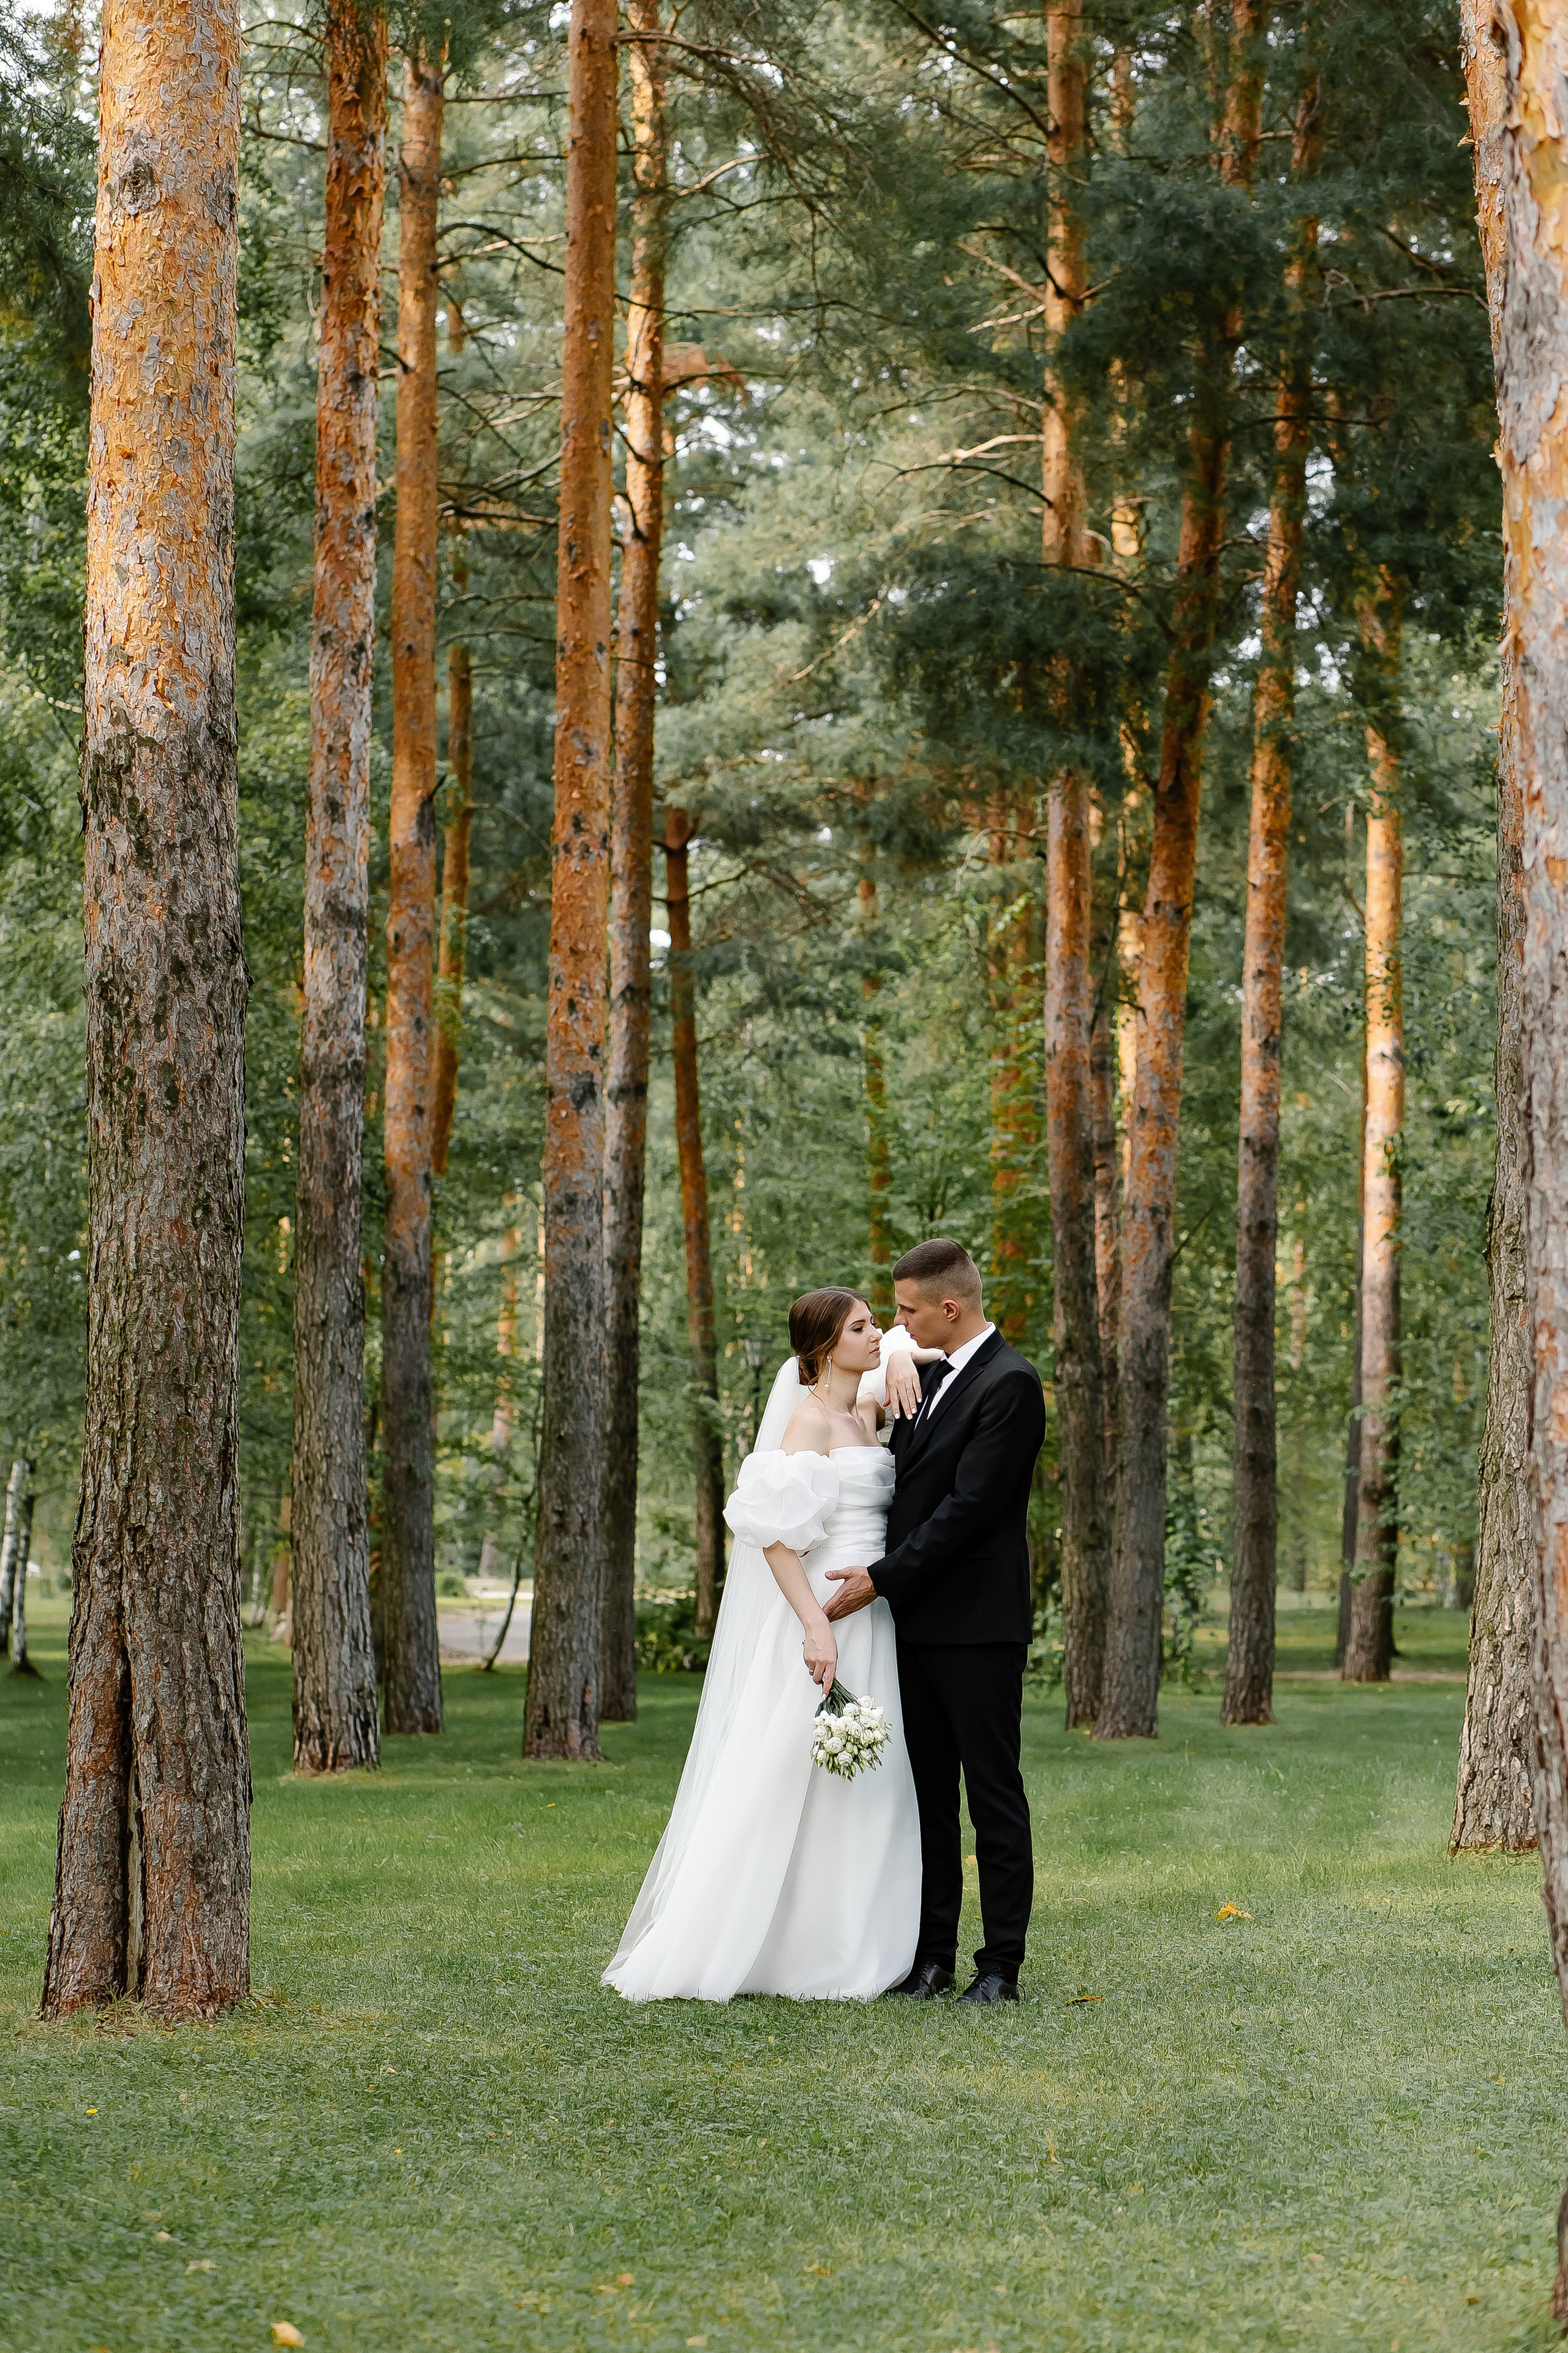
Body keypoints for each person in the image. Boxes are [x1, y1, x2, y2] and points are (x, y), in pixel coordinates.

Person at [602, 1288, 939, 2002]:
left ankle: (854, 1937)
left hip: (874, 1611)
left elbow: (936, 1349)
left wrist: (906, 1346)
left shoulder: (866, 1409)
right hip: (822, 1610)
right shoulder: (808, 1422)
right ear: (824, 1347)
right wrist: (815, 1625)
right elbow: (776, 1538)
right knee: (791, 1772)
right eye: (862, 1327)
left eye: (878, 1323)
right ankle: (767, 1942)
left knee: (867, 1783)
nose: (877, 1334)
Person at [824, 1238, 1046, 2005]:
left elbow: (968, 1512)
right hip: (915, 1626)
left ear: (948, 1308)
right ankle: (932, 1957)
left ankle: (1000, 1967)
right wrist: (892, 1353)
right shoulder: (926, 1370)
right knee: (927, 1800)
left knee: (991, 1796)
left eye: (907, 1309)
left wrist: (877, 1581)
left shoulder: (1011, 1385)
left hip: (979, 1626)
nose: (893, 1321)